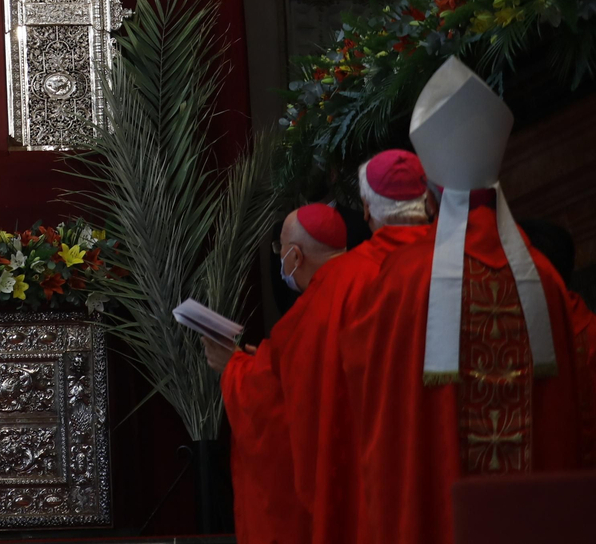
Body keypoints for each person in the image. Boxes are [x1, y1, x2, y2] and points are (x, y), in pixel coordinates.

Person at [334, 58, 596, 544]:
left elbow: (369, 395)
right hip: (533, 520)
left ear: (433, 197)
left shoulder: (401, 282)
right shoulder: (543, 279)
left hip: (439, 518)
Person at [206, 203, 347, 544]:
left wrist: (233, 366)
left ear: (295, 255)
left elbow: (274, 406)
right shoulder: (357, 279)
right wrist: (262, 362)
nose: (279, 256)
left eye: (279, 248)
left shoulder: (308, 314)